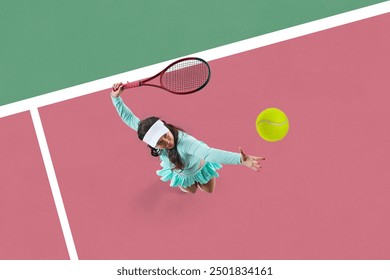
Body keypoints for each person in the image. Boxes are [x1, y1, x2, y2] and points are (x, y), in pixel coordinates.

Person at [110, 83, 265, 194]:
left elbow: (209, 153)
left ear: (165, 127)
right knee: (190, 190)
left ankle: (197, 181)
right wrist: (115, 98)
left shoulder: (185, 142)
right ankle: (186, 186)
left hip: (200, 167)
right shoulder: (147, 133)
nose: (167, 142)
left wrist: (241, 159)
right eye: (160, 143)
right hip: (181, 173)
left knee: (208, 190)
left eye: (165, 136)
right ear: (152, 144)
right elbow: (129, 119)